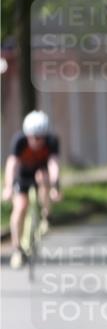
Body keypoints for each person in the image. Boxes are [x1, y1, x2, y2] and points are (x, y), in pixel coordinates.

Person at [2, 111, 61, 269]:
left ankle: (47, 215)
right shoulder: (19, 141)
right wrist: (8, 187)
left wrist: (55, 186)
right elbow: (12, 164)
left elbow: (54, 164)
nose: (37, 141)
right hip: (23, 175)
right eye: (33, 137)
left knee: (44, 179)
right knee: (20, 207)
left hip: (41, 173)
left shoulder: (52, 141)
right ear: (27, 134)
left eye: (40, 137)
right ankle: (17, 249)